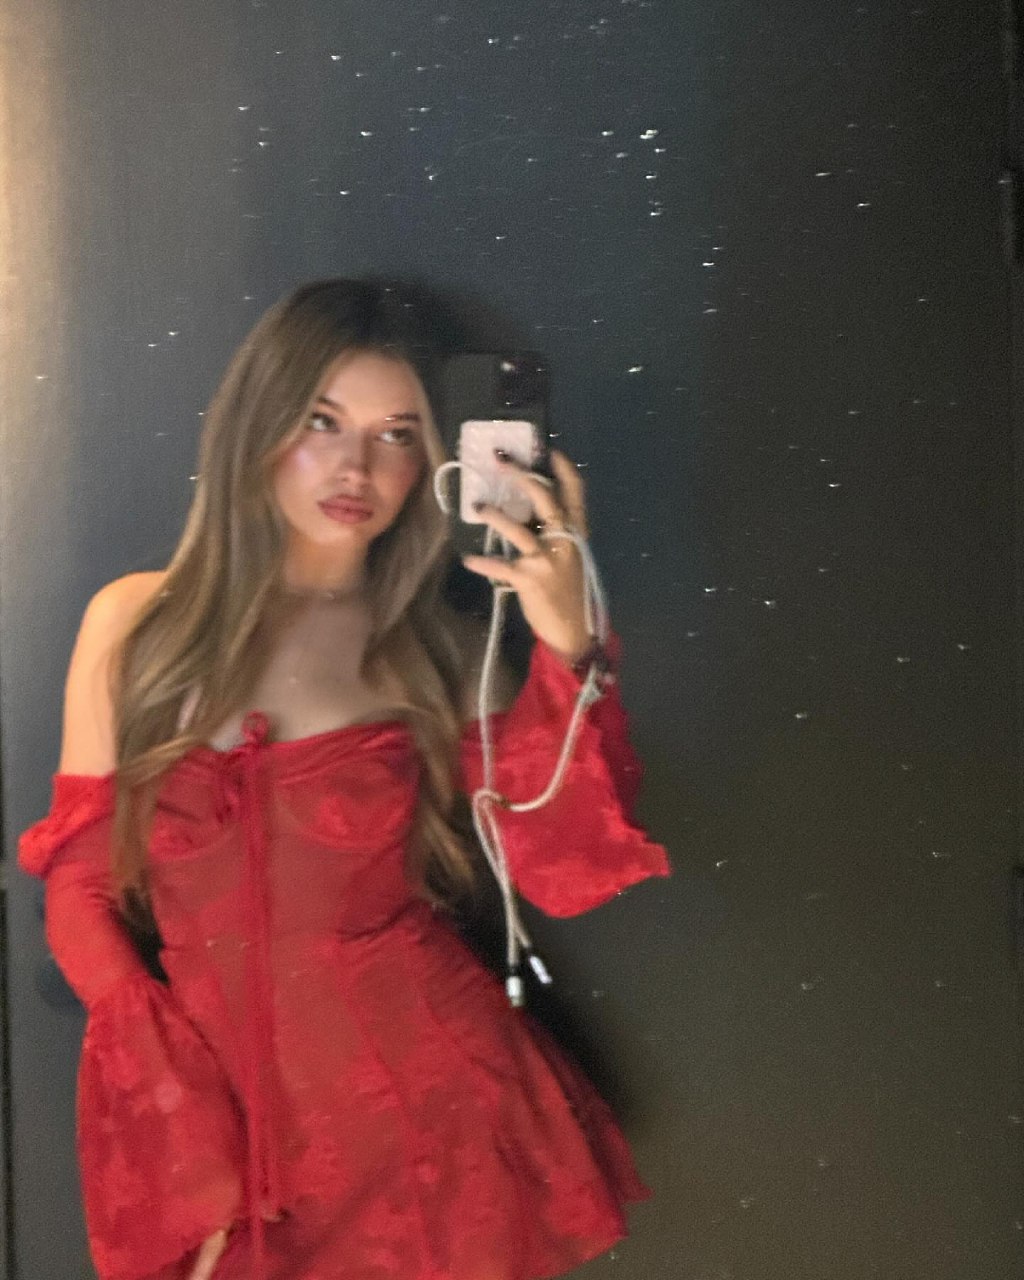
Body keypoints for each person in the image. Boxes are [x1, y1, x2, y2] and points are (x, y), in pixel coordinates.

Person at [17, 278, 671, 1280]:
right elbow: (80, 880)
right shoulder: (136, 623)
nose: (357, 466)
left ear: (432, 462)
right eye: (322, 421)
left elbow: (561, 862)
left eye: (397, 434)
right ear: (259, 422)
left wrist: (570, 647)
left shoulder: (436, 654)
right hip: (212, 1114)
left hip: (426, 1114)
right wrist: (170, 1098)